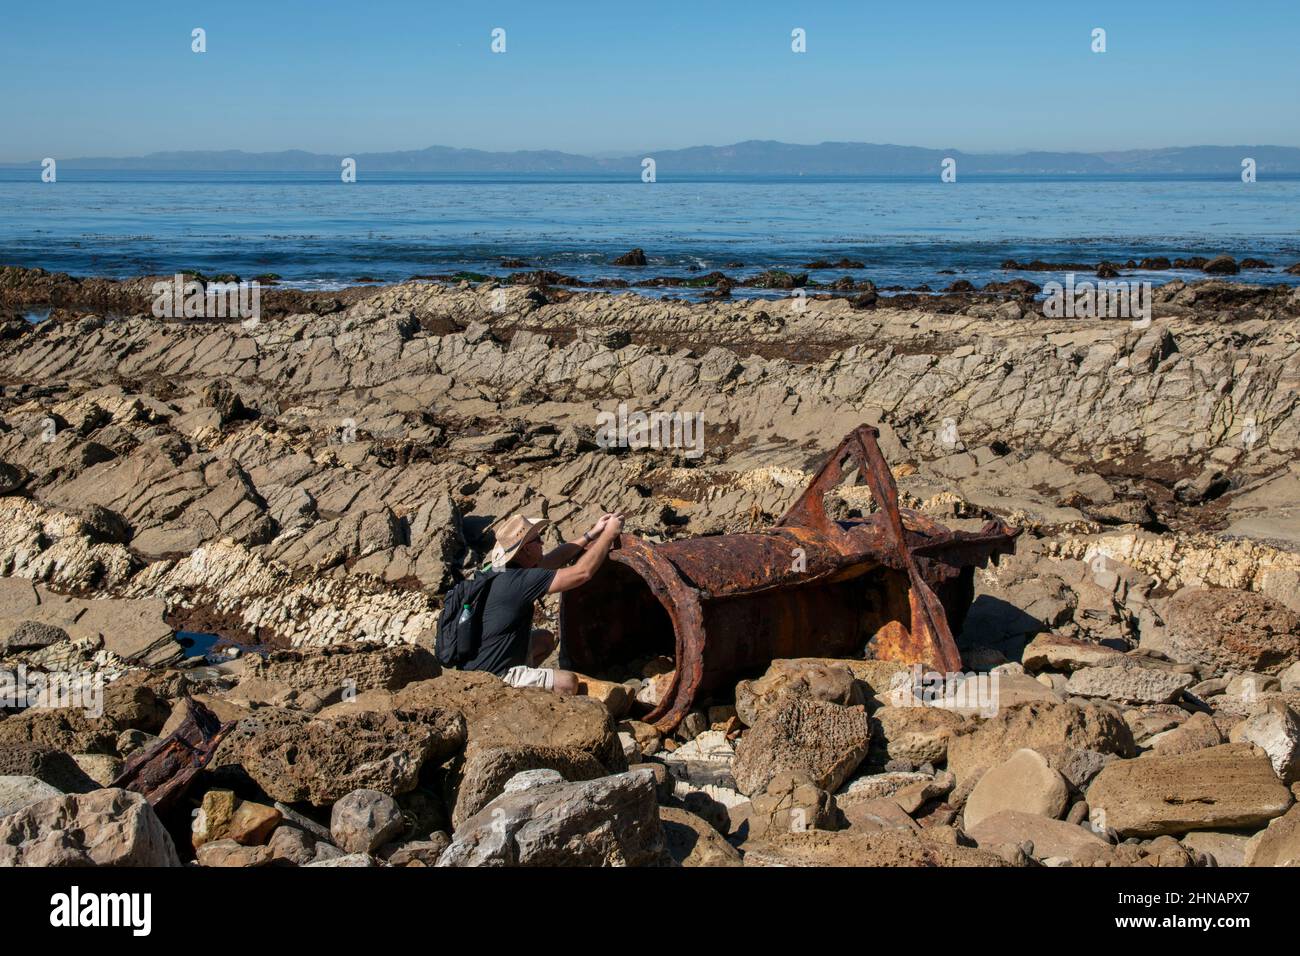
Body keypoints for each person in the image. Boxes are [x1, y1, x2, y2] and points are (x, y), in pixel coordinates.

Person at [461, 510, 624, 693]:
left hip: (476, 661)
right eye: (538, 539)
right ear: (526, 550)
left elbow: (554, 559)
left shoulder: (499, 571)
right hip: (494, 675)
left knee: (545, 640)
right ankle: (515, 692)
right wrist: (609, 535)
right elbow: (582, 573)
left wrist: (591, 535)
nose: (543, 542)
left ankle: (527, 680)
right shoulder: (521, 581)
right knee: (568, 682)